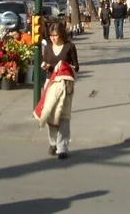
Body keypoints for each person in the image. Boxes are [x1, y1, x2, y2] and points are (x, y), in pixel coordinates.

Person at [39, 21, 79, 160]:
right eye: (51, 36)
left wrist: (62, 66)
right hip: (50, 82)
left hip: (65, 84)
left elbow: (76, 66)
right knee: (51, 114)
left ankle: (63, 147)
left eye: (55, 35)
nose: (53, 38)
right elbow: (44, 61)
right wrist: (45, 66)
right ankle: (53, 142)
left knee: (63, 116)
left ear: (61, 34)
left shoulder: (69, 47)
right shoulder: (48, 47)